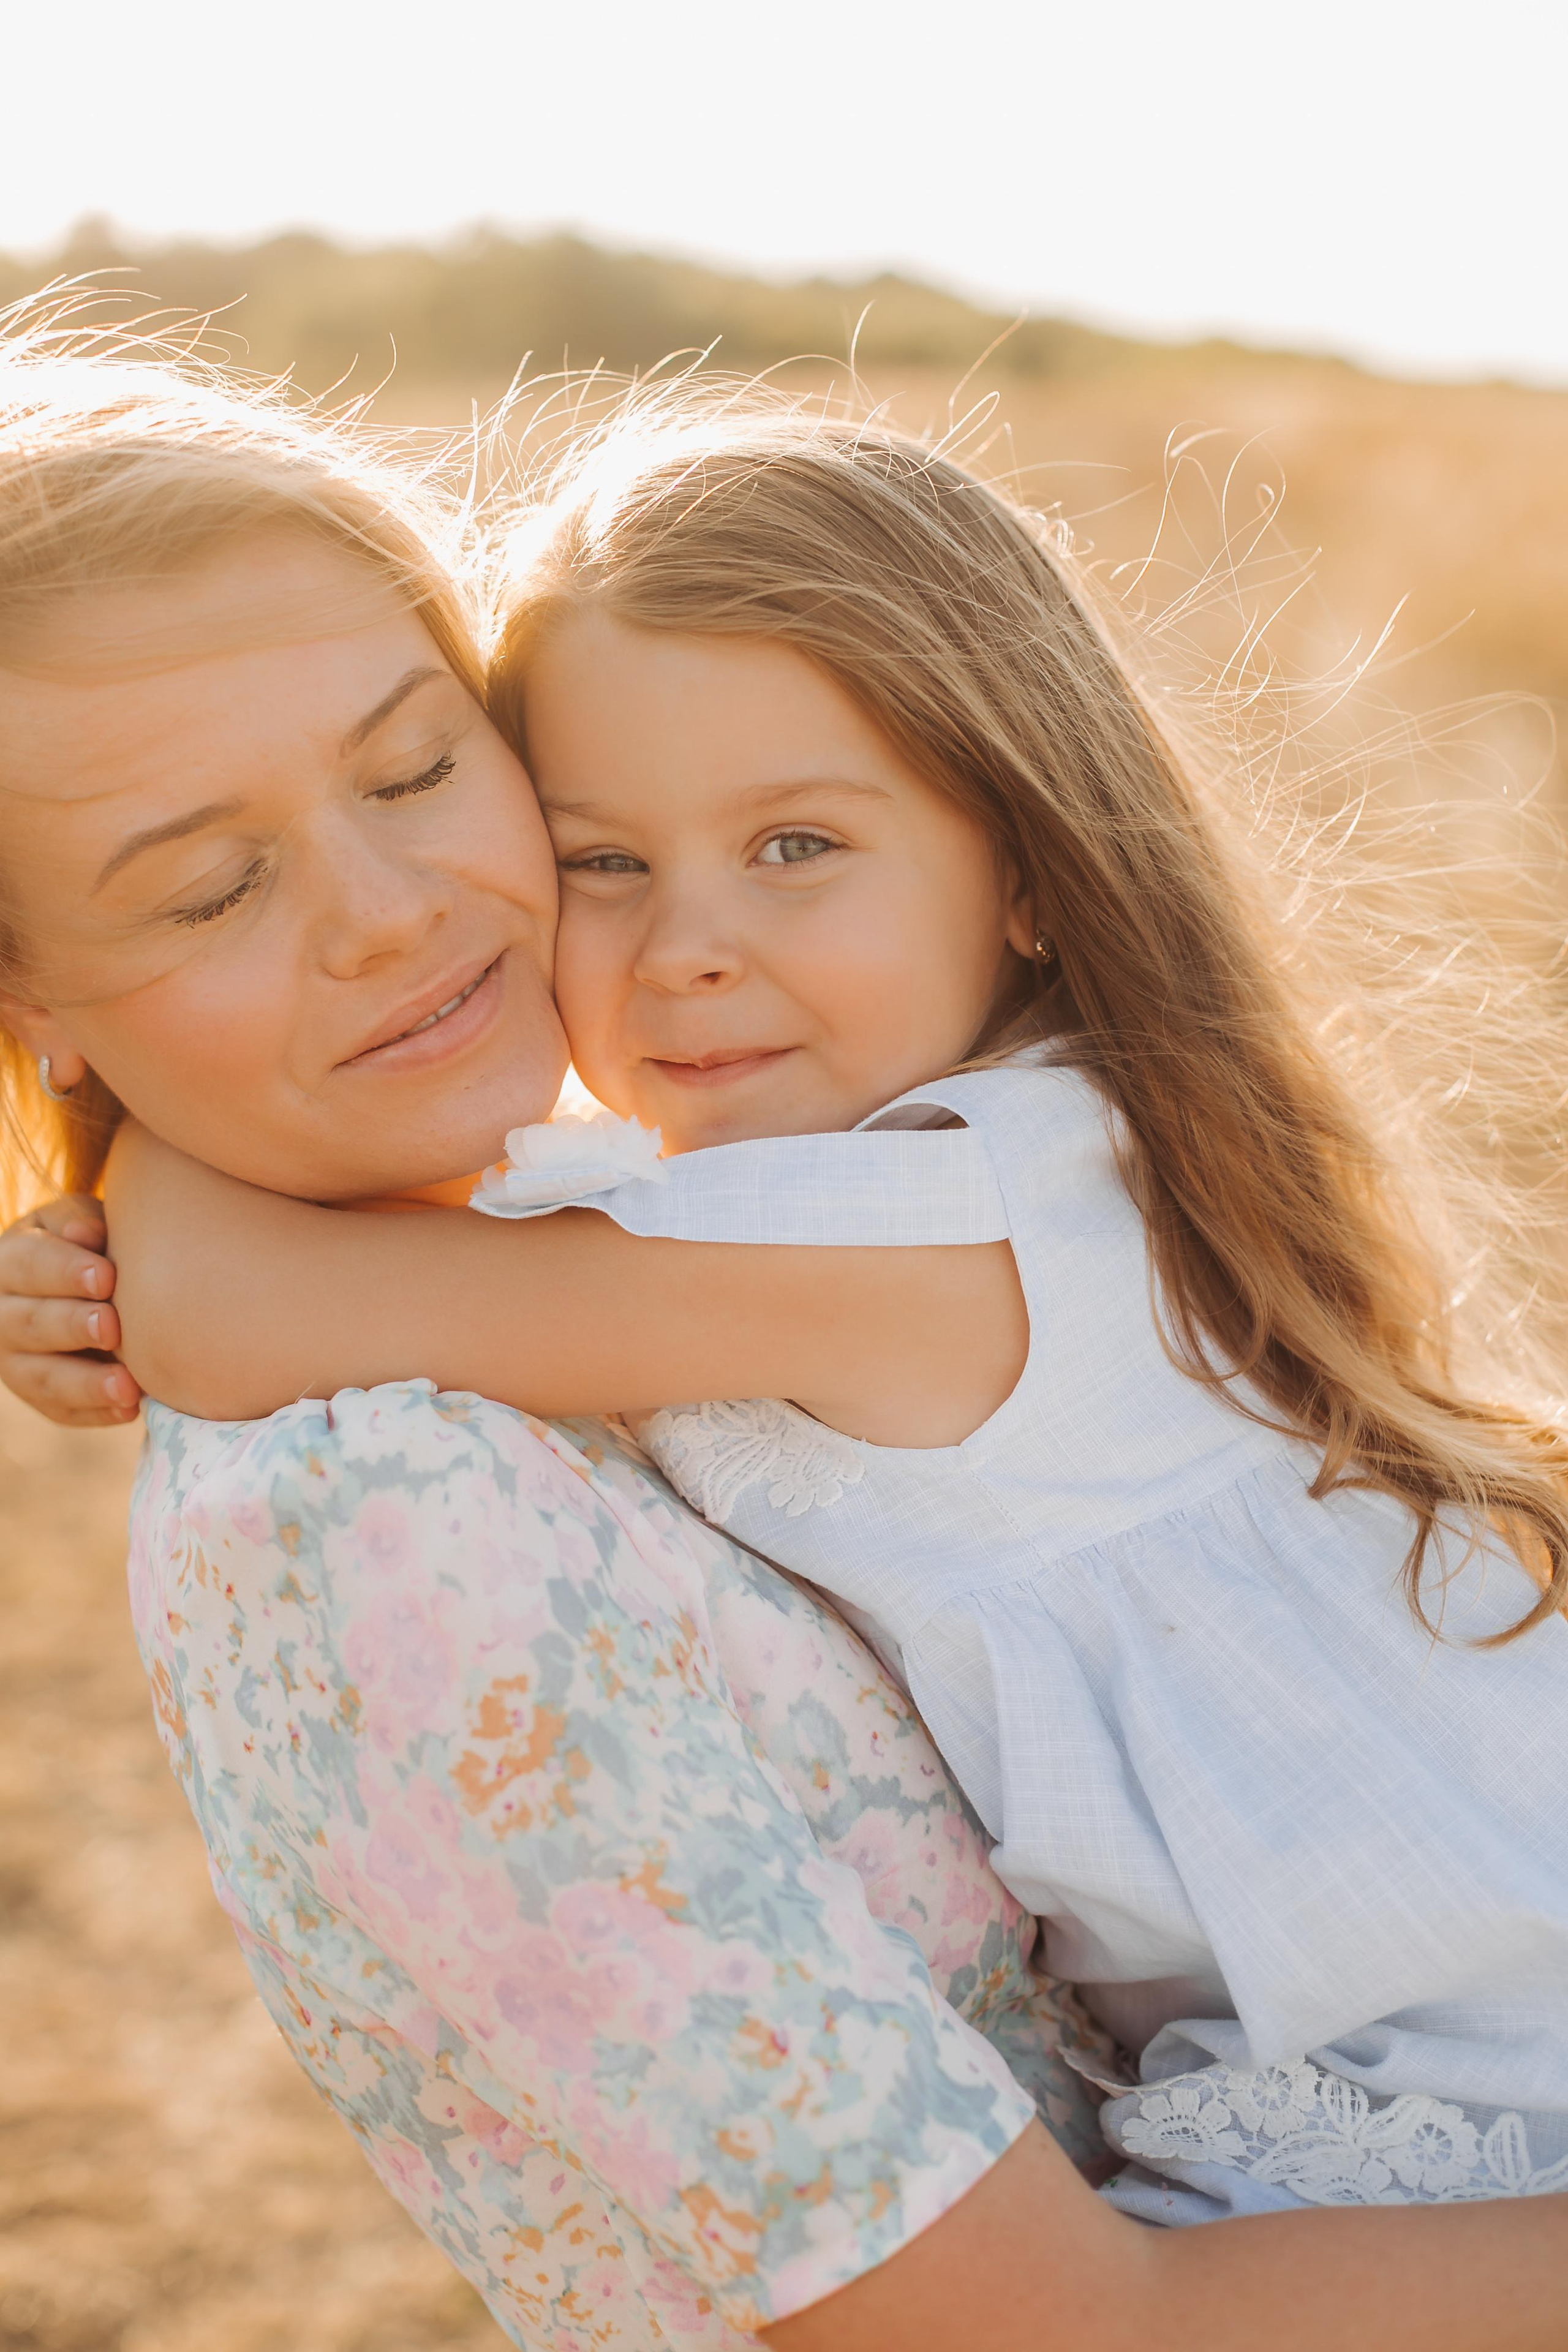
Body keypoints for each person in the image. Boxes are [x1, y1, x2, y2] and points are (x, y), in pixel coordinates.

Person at [4, 331, 1568, 2351]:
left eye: (418, 773)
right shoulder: (421, 1472)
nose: (682, 948)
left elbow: (251, 1309)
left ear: (1024, 865)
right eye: (605, 860)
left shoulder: (926, 1211)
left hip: (1460, 2092)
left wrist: (118, 1210)